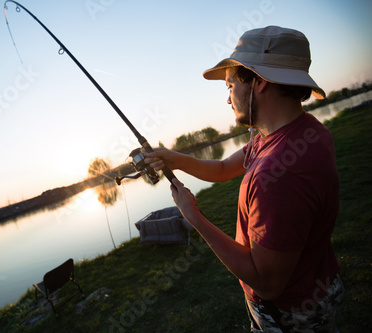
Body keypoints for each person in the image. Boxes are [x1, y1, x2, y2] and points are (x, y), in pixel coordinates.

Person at [145, 26, 345, 332]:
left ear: (259, 82)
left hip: (291, 314)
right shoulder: (302, 131)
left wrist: (192, 216)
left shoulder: (280, 173)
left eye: (230, 85)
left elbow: (267, 283)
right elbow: (224, 169)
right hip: (319, 285)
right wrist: (175, 159)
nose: (228, 99)